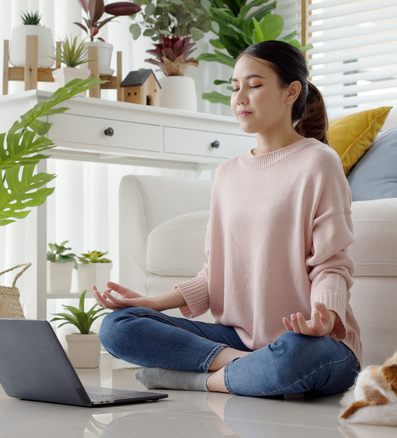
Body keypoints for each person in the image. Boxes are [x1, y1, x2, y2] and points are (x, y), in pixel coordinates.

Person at [93, 40, 361, 398]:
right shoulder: (227, 174)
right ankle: (245, 367)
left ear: (291, 91)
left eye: (254, 85)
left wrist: (325, 314)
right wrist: (151, 302)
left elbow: (331, 264)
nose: (240, 98)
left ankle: (199, 378)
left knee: (295, 357)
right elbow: (215, 272)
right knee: (117, 327)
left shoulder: (318, 162)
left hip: (311, 342)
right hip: (239, 339)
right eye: (235, 88)